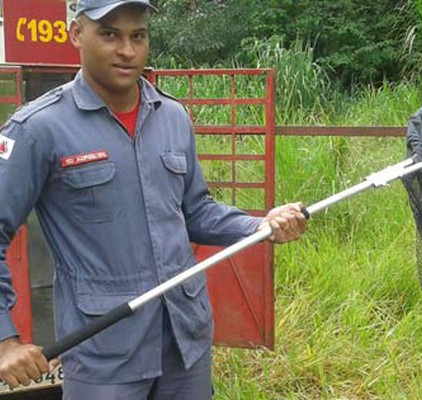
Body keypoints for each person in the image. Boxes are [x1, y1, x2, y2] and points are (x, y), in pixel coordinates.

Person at [0, 1, 307, 398]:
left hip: (185, 342)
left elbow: (196, 211)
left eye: (138, 36)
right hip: (104, 356)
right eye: (110, 34)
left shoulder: (173, 117)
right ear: (77, 34)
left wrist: (260, 226)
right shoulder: (38, 129)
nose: (127, 50)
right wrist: (5, 340)